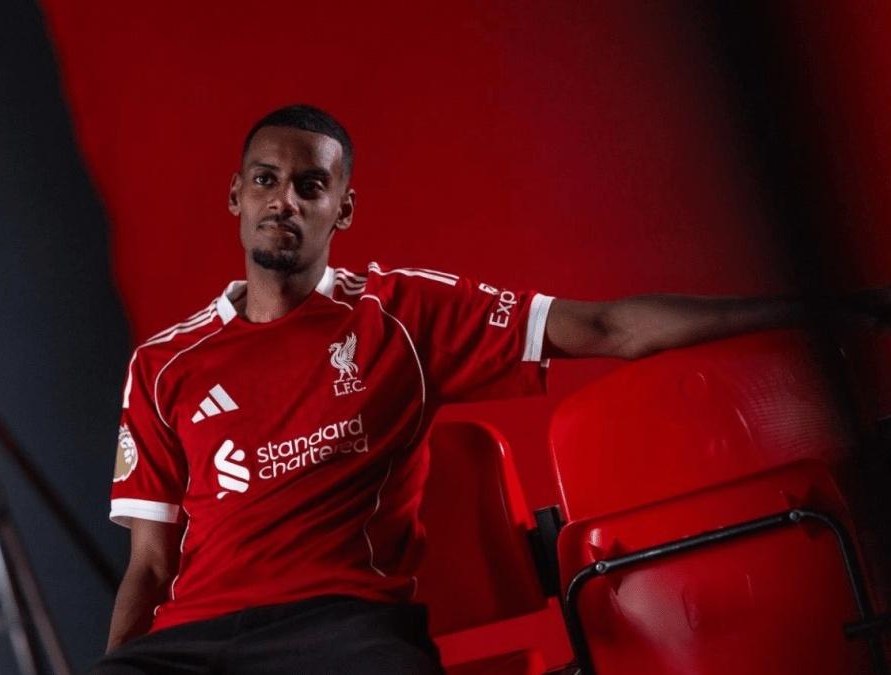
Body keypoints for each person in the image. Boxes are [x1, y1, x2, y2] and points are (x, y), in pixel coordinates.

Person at [89, 104, 849, 675]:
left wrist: (827, 307)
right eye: (265, 180)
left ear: (342, 207)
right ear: (236, 196)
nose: (283, 200)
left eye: (309, 185)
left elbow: (609, 327)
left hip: (339, 630)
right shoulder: (163, 363)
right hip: (195, 640)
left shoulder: (401, 314)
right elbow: (149, 566)